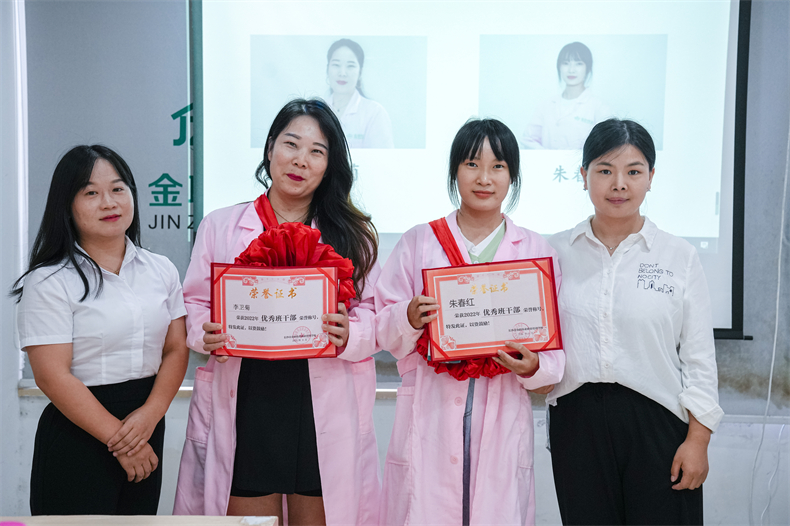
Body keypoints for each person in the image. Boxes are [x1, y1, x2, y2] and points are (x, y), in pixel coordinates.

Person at [173, 98, 381, 525]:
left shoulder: (352, 234)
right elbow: (193, 303)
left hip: (320, 401)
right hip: (249, 397)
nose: (301, 160)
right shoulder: (221, 226)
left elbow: (376, 314)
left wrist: (351, 332)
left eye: (317, 151)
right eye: (291, 144)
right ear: (270, 148)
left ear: (330, 165)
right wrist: (204, 332)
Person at [375, 118, 565, 525]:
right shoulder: (418, 242)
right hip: (430, 409)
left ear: (513, 176)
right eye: (472, 164)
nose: (484, 178)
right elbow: (382, 328)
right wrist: (408, 316)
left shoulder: (535, 252)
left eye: (498, 166)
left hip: (503, 415)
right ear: (454, 170)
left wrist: (534, 366)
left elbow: (554, 355)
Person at [547, 118, 723, 525]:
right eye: (604, 171)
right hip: (577, 422)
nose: (619, 184)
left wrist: (698, 440)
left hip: (657, 422)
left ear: (651, 177)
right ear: (583, 176)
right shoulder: (553, 252)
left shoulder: (678, 256)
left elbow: (699, 358)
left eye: (633, 171)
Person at [12, 145, 189, 515]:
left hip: (145, 426)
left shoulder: (161, 269)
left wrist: (151, 414)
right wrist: (122, 442)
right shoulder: (49, 281)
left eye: (118, 189)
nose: (109, 202)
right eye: (91, 192)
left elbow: (176, 349)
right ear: (67, 205)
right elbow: (52, 375)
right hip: (80, 432)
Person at [521, 41, 611, 150]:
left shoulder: (599, 107)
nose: (571, 70)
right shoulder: (546, 105)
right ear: (559, 67)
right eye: (566, 63)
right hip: (548, 161)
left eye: (579, 63)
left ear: (587, 68)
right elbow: (528, 140)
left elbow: (606, 145)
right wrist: (549, 157)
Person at [325, 38, 394, 148]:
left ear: (360, 72)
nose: (342, 73)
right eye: (336, 65)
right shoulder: (317, 110)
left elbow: (383, 157)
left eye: (350, 66)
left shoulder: (374, 113)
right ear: (327, 69)